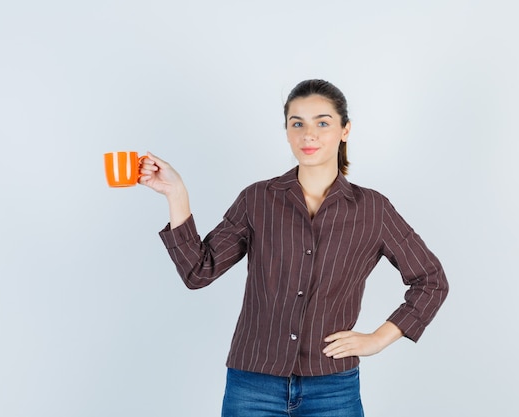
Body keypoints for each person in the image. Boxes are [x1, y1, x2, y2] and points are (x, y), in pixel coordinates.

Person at [139, 79, 449, 416]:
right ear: (287, 131)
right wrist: (176, 193)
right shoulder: (257, 199)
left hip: (333, 387)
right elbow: (198, 272)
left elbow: (430, 280)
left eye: (322, 122)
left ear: (345, 130)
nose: (308, 134)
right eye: (297, 123)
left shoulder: (373, 209)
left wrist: (378, 338)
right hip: (252, 384)